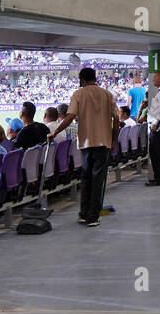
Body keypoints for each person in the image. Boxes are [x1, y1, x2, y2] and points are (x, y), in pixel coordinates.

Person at [49, 67, 121, 226]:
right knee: (98, 180)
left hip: (86, 143)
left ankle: (83, 213)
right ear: (95, 78)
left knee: (86, 178)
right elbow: (116, 118)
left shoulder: (78, 94)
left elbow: (69, 117)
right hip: (103, 142)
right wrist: (114, 138)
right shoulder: (107, 94)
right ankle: (93, 216)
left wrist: (55, 132)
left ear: (82, 80)